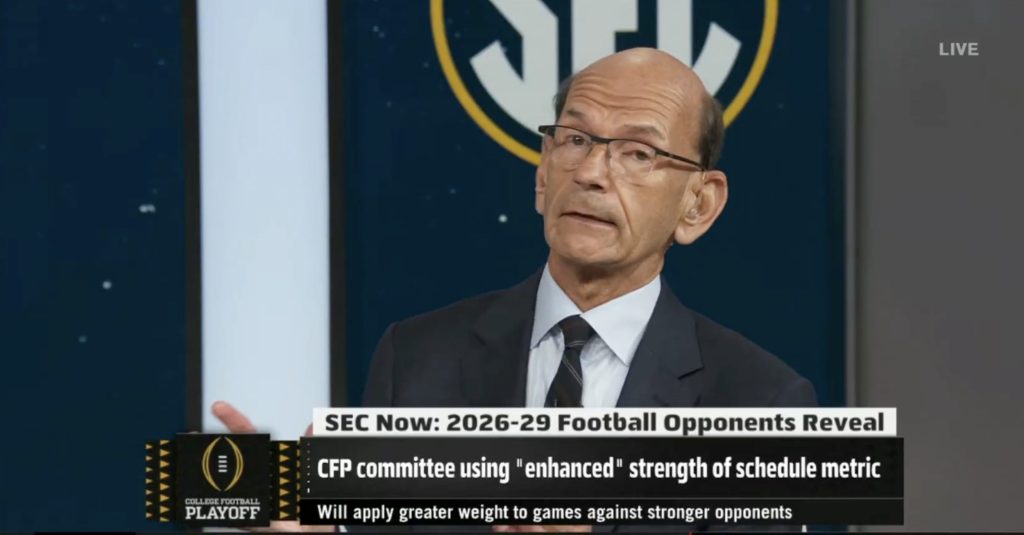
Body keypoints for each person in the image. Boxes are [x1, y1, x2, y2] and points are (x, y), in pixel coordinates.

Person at [214, 47, 815, 532]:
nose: (590, 173)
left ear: (698, 205)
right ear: (542, 173)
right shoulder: (416, 360)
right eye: (574, 140)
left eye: (638, 152)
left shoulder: (760, 405)